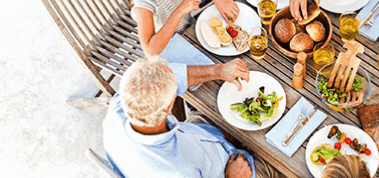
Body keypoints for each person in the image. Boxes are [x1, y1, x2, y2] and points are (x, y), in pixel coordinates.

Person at [102, 56, 280, 178]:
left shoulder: (122, 102)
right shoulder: (177, 172)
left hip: (199, 137)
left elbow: (167, 78)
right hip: (229, 170)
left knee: (208, 113)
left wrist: (218, 71)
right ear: (168, 108)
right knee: (279, 163)